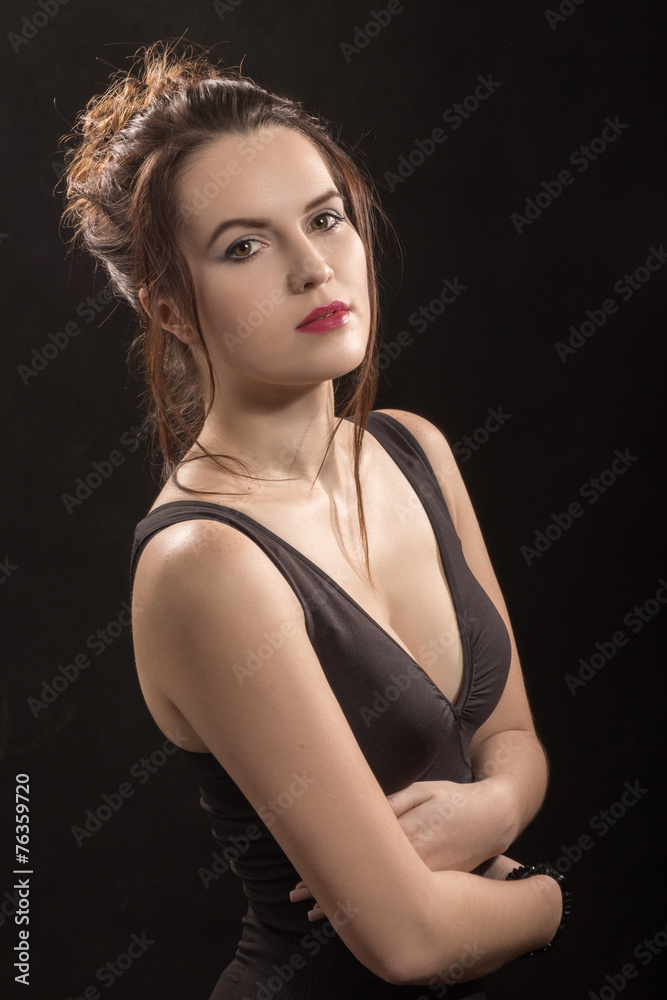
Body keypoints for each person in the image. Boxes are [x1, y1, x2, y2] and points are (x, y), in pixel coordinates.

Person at [60, 40, 569, 999]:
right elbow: (410, 943)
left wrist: (495, 808)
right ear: (170, 309)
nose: (312, 268)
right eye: (243, 246)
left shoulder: (413, 451)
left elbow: (513, 738)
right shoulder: (203, 561)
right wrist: (547, 901)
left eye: (325, 219)